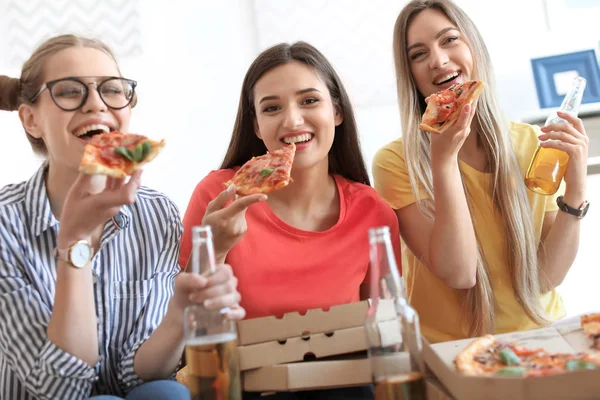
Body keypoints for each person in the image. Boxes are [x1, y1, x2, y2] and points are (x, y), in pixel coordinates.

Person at [0, 34, 243, 400]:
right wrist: (75, 243)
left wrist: (180, 310)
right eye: (69, 91)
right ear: (31, 120)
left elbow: (139, 374)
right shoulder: (6, 222)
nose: (96, 105)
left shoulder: (157, 212)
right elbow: (57, 390)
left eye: (112, 90)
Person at [180, 41, 400, 399]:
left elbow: (383, 333)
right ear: (255, 125)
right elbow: (184, 323)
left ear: (338, 111)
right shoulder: (219, 196)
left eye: (309, 100)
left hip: (344, 386)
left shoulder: (374, 213)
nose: (292, 120)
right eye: (272, 107)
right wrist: (213, 250)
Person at [373, 0, 589, 343]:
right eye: (418, 54)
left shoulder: (532, 141)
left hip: (543, 340)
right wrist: (443, 162)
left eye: (449, 40)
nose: (438, 60)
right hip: (451, 353)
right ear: (410, 75)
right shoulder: (395, 162)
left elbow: (547, 278)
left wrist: (576, 191)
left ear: (473, 47)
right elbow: (459, 273)